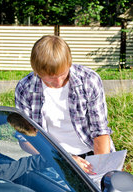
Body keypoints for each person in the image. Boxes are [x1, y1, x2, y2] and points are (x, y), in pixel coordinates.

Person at [15, 35, 115, 174]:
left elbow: (100, 132)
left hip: (92, 155)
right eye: (50, 78)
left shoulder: (89, 80)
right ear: (36, 71)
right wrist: (65, 159)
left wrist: (99, 170)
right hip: (52, 158)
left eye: (62, 74)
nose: (58, 83)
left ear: (69, 63)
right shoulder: (25, 89)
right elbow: (26, 140)